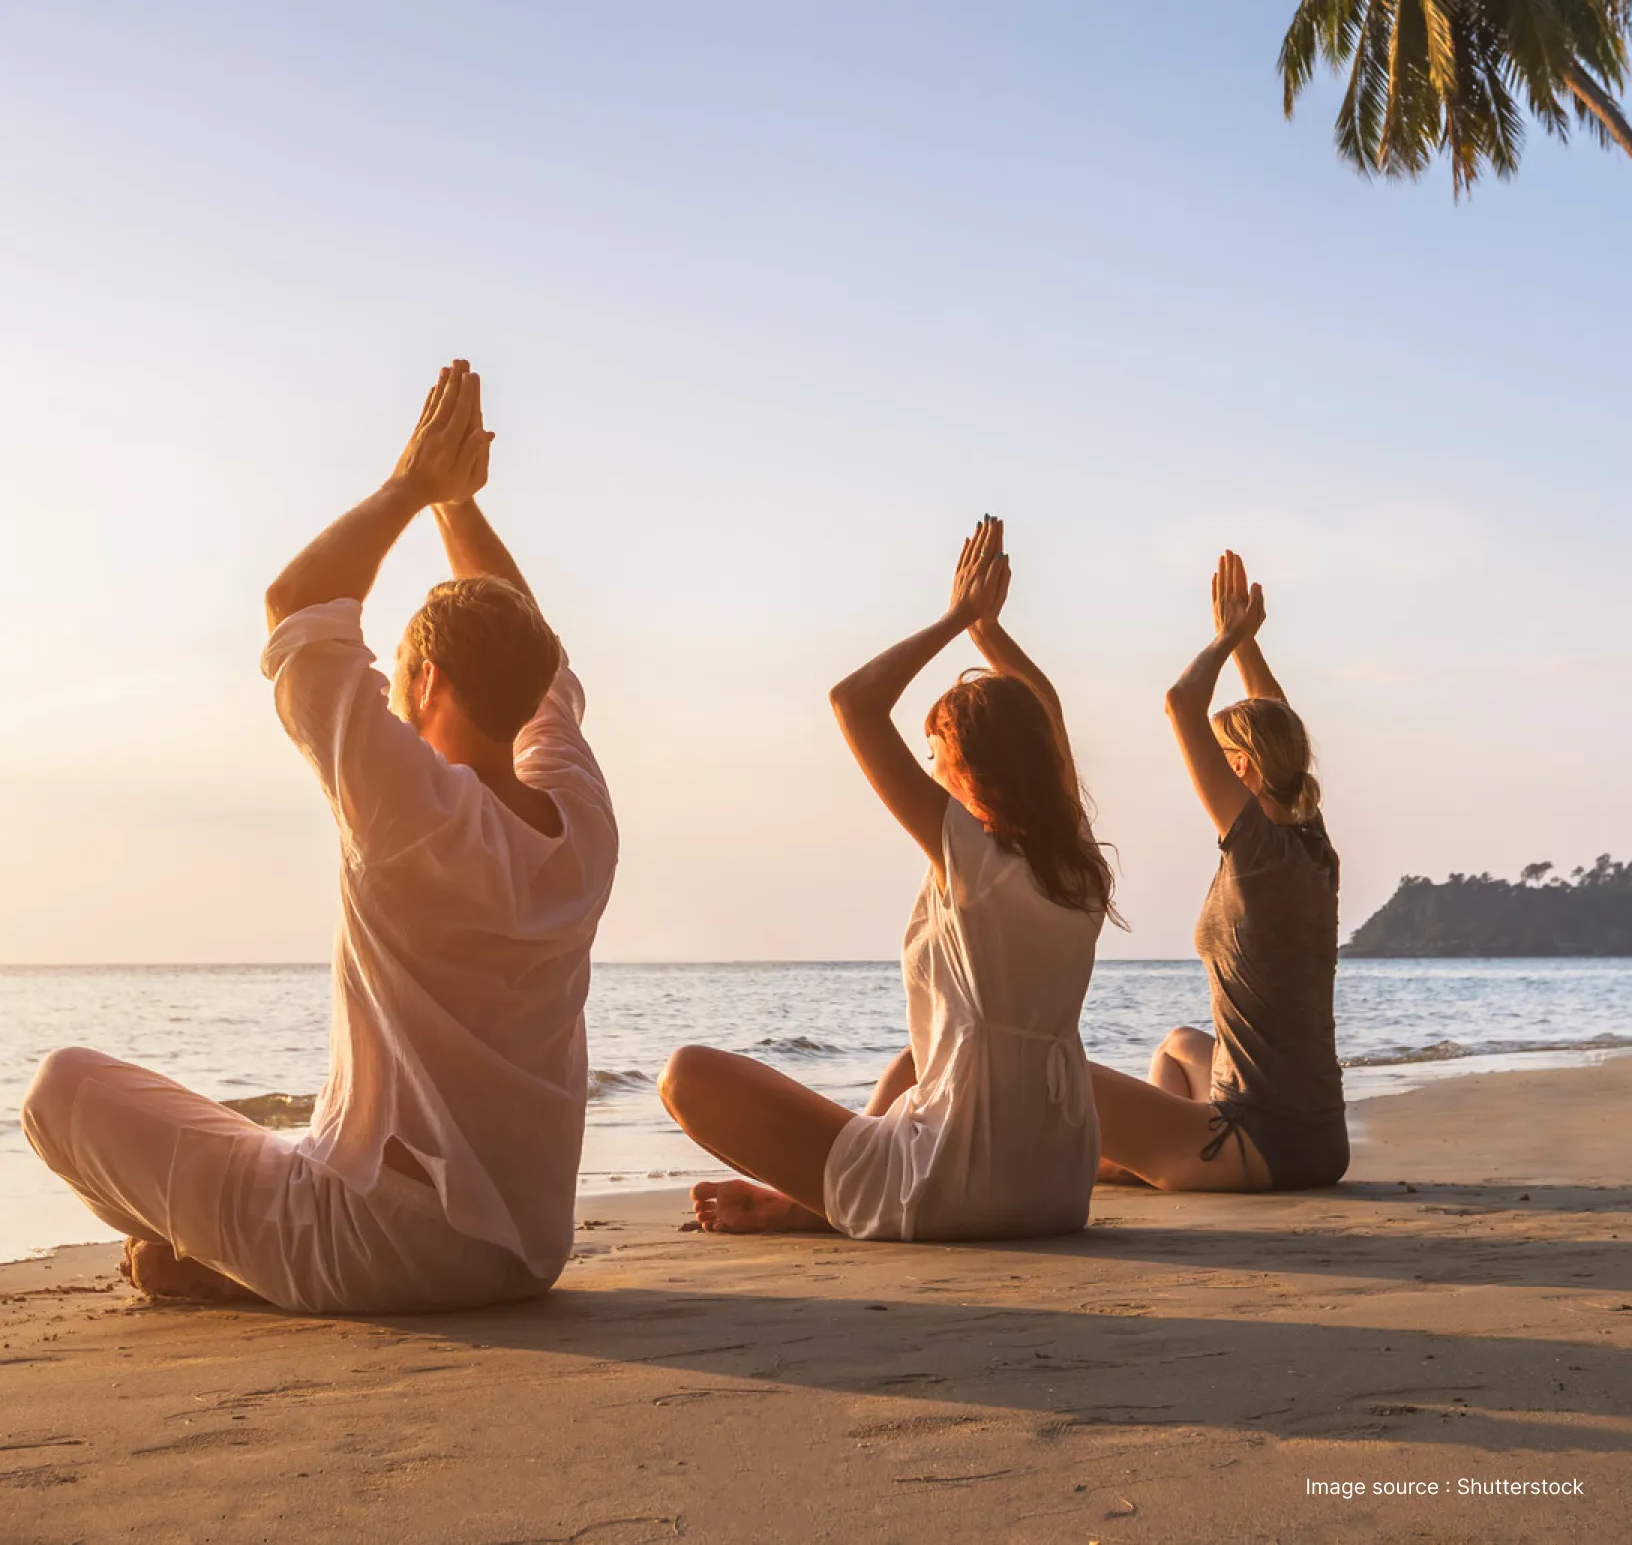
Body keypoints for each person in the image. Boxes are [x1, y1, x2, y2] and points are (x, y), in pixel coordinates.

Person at [21, 361, 619, 1312]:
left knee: (58, 1091)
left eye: (399, 682)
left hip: (373, 1245)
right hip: (524, 1251)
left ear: (425, 690)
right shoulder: (581, 818)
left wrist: (416, 486)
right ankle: (223, 1250)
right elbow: (531, 648)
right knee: (276, 1143)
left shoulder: (409, 808)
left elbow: (299, 606)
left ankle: (222, 1265)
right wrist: (458, 509)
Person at [659, 516, 1117, 1240]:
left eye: (938, 755)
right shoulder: (1079, 870)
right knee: (914, 1062)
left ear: (971, 767)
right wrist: (990, 636)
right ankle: (817, 1199)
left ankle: (820, 1202)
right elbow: (1047, 715)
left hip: (958, 1181)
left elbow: (854, 703)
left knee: (685, 1075)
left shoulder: (975, 860)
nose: (932, 770)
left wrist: (959, 617)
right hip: (1057, 1182)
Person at [1090, 551, 1348, 1192]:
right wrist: (1249, 648)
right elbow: (1277, 717)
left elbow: (1181, 704)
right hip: (1321, 1140)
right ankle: (1140, 1163)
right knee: (1178, 1045)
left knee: (1052, 1072)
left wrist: (1227, 637)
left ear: (1242, 771)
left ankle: (1139, 1166)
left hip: (1259, 1141)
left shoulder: (1257, 852)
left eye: (1226, 753)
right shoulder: (1313, 846)